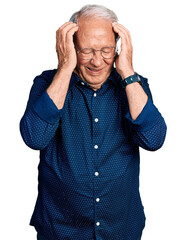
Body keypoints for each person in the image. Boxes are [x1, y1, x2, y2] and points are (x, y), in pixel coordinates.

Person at [20, 4, 167, 240]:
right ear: (70, 47)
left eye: (106, 50)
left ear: (118, 48)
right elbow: (35, 138)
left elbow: (154, 139)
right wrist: (66, 66)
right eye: (86, 51)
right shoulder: (47, 84)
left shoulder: (134, 86)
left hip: (121, 229)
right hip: (60, 230)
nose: (97, 62)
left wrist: (127, 70)